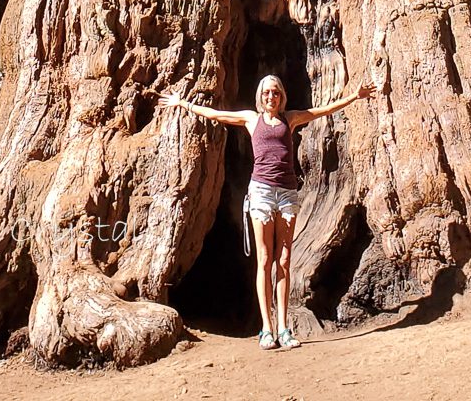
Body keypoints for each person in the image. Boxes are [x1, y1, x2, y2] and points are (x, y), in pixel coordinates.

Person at [160, 74, 375, 350]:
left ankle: (284, 328)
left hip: (287, 194)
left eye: (275, 92)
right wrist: (183, 104)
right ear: (260, 97)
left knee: (284, 260)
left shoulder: (291, 118)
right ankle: (266, 328)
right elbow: (216, 114)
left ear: (281, 95)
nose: (270, 97)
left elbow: (325, 109)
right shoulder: (252, 119)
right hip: (261, 192)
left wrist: (355, 96)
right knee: (264, 259)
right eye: (266, 93)